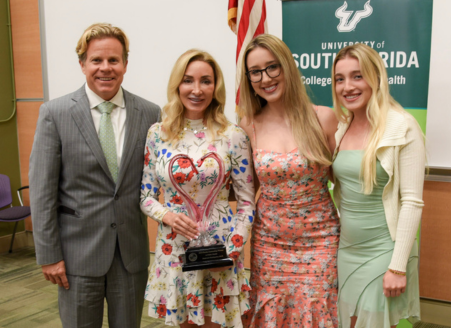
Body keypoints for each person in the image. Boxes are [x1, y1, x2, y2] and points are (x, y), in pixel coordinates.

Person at [29, 23, 160, 327]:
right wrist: (48, 255)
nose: (105, 68)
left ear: (125, 64)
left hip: (130, 257)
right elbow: (42, 191)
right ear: (82, 64)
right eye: (96, 60)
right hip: (76, 257)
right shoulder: (55, 113)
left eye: (113, 60)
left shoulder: (150, 113)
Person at [140, 49, 255, 328]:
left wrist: (232, 251)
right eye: (188, 80)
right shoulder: (158, 133)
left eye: (206, 81)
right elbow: (145, 196)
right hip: (174, 248)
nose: (197, 89)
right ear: (177, 85)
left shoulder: (233, 135)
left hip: (220, 250)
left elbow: (247, 203)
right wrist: (166, 215)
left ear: (216, 87)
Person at [238, 34, 340, 327]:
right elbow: (247, 190)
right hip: (270, 243)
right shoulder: (248, 125)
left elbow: (345, 180)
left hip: (320, 239)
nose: (265, 78)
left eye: (272, 67)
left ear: (287, 67)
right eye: (255, 71)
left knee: (318, 312)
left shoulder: (323, 118)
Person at [331, 43, 424, 328]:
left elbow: (412, 201)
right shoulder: (341, 128)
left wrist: (397, 266)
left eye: (358, 76)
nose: (347, 86)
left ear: (377, 78)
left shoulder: (402, 126)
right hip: (346, 252)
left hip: (384, 251)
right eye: (340, 79)